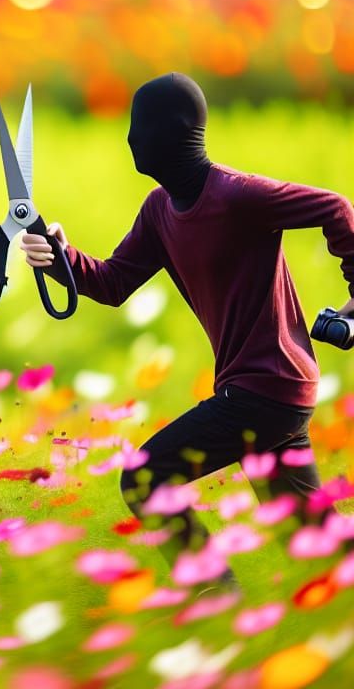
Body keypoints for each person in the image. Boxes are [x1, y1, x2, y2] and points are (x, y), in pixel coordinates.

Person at [19, 72, 354, 589]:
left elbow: (335, 207)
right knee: (317, 541)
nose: (131, 140)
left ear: (173, 132)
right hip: (268, 391)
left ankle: (216, 601)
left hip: (264, 391)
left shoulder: (240, 196)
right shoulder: (160, 211)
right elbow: (112, 282)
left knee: (146, 478)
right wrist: (58, 255)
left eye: (139, 126)